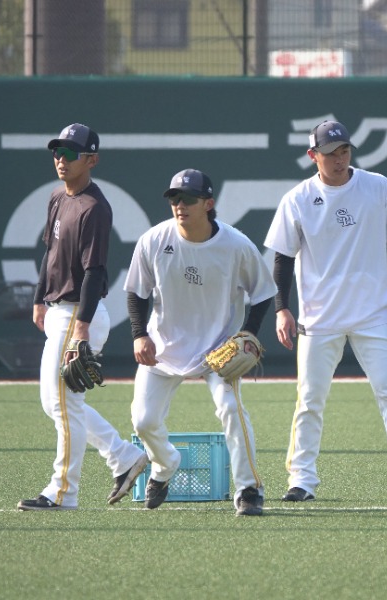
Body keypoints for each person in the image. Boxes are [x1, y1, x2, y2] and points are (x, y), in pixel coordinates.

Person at [264, 120, 387, 503]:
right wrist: (281, 309)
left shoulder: (377, 187)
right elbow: (283, 259)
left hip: (373, 314)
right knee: (309, 400)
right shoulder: (298, 198)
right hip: (319, 319)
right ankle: (302, 480)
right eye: (329, 153)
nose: (338, 159)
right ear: (313, 156)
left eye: (344, 151)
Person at [124, 168, 276, 516]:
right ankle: (164, 467)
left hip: (217, 350)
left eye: (189, 199)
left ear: (208, 203)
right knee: (143, 420)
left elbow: (264, 292)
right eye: (175, 199)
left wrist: (249, 332)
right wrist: (138, 334)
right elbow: (136, 291)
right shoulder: (154, 239)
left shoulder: (236, 245)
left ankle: (249, 490)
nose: (180, 205)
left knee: (232, 410)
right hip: (164, 346)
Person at [18, 123, 148, 511]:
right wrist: (40, 298)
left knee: (62, 403)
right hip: (58, 309)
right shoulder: (58, 198)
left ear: (92, 159)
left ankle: (62, 491)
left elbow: (95, 272)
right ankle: (124, 457)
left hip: (79, 312)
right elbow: (50, 254)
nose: (61, 158)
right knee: (55, 402)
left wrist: (82, 328)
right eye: (57, 151)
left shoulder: (95, 207)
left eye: (71, 153)